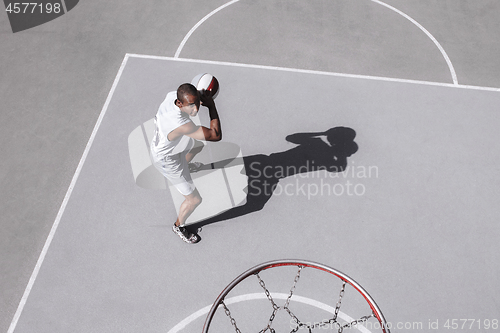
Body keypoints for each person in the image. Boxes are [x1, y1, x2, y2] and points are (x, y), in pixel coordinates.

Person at [150, 83, 221, 243]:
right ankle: (178, 226)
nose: (195, 109)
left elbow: (190, 92)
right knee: (194, 200)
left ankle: (186, 166)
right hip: (167, 162)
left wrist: (200, 93)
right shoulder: (180, 124)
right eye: (191, 105)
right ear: (180, 103)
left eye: (197, 103)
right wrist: (211, 106)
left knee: (198, 144)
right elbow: (215, 135)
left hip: (170, 145)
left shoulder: (172, 96)